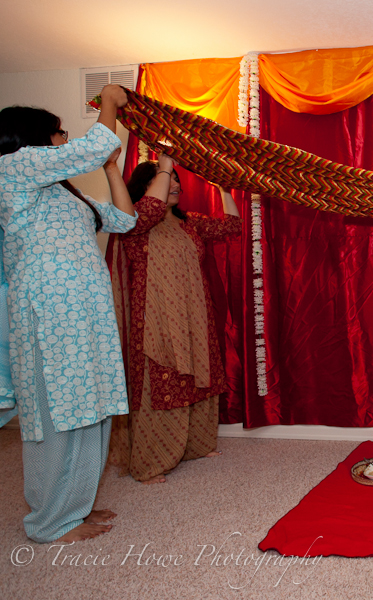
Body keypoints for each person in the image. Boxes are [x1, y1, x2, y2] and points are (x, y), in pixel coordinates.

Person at [0, 85, 138, 542]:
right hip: (50, 314)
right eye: (59, 132)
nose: (65, 137)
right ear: (35, 137)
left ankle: (74, 508)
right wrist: (109, 103)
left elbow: (123, 219)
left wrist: (113, 167)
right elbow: (94, 145)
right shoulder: (12, 169)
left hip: (84, 315)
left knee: (90, 409)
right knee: (57, 416)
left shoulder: (63, 193)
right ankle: (49, 522)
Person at [108, 157, 241, 484]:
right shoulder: (134, 222)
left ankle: (196, 445)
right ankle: (150, 462)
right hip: (157, 315)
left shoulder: (188, 222)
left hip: (194, 313)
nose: (176, 185)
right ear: (146, 188)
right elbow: (150, 210)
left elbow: (232, 226)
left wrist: (224, 189)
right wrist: (163, 162)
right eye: (168, 179)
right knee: (161, 382)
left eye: (177, 180)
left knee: (199, 375)